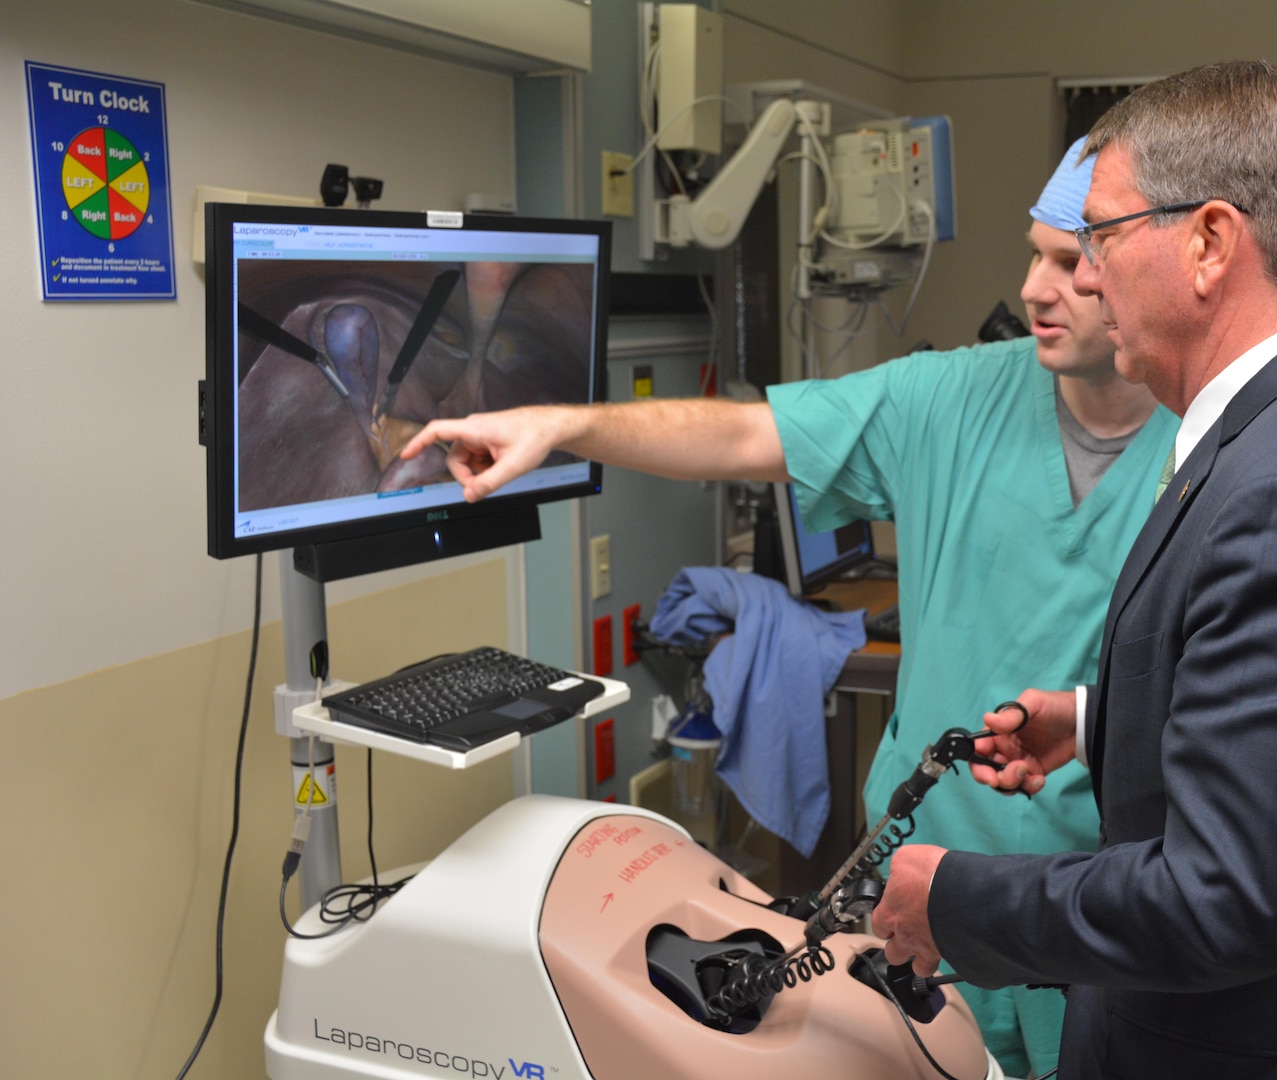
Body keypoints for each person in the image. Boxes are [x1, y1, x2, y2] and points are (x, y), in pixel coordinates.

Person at [400, 138, 1178, 1078]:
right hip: (925, 896)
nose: (1035, 288)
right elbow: (738, 430)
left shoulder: (1211, 444)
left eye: (1068, 263)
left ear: (1145, 268)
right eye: (1033, 254)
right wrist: (565, 425)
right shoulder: (948, 399)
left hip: (1098, 910)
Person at [870, 61, 1277, 1079]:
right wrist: (1098, 719)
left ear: (1209, 241)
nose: (1088, 275)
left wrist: (956, 899)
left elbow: (1225, 901)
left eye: (1103, 238)